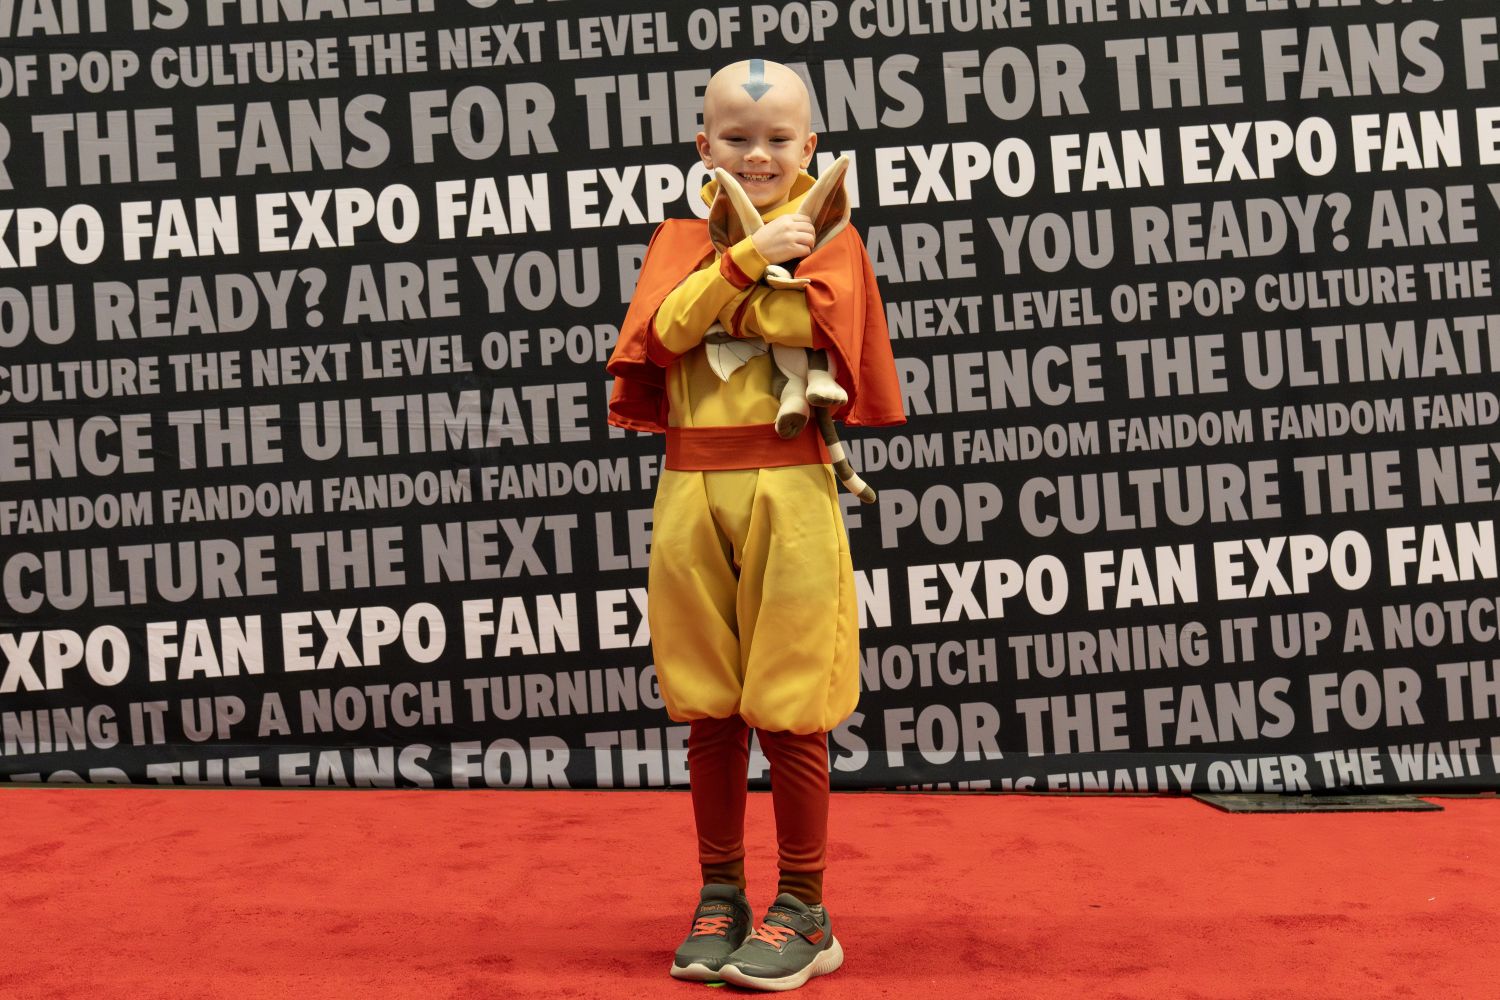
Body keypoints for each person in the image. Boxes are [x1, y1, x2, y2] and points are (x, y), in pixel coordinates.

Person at [605, 57, 904, 992]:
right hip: (694, 491)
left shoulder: (836, 242)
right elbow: (662, 333)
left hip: (792, 490)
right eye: (737, 137)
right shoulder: (677, 240)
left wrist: (742, 284)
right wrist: (741, 261)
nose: (759, 153)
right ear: (704, 146)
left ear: (809, 147)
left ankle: (806, 907)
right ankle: (721, 893)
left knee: (789, 704)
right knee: (706, 700)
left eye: (779, 139)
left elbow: (819, 327)